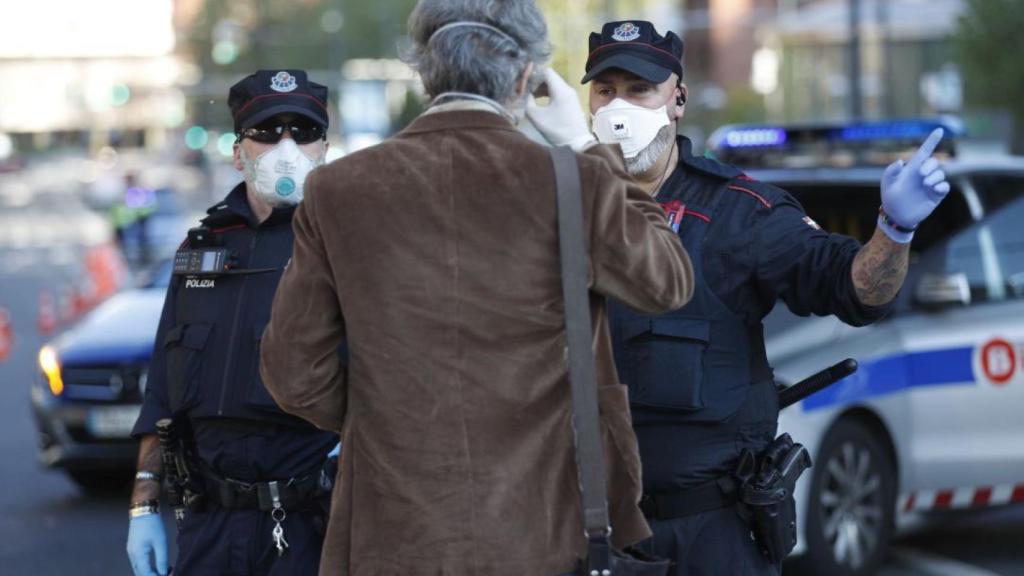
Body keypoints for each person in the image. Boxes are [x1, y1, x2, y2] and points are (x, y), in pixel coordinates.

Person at [258, 1, 696, 574]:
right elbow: (669, 281)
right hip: (542, 528)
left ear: (423, 72)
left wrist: (390, 414)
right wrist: (590, 148)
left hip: (393, 531)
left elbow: (294, 373)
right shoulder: (573, 178)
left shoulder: (337, 188)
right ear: (524, 78)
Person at [528, 20, 952, 576]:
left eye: (639, 89)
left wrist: (894, 229)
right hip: (586, 531)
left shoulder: (736, 213)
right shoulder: (553, 210)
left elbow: (853, 290)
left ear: (676, 99)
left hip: (712, 536)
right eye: (605, 91)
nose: (618, 109)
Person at [125, 69, 340, 576]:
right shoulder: (202, 249)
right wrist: (143, 505)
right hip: (210, 528)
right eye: (267, 132)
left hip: (313, 526)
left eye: (303, 132)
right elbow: (163, 390)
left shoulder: (345, 248)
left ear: (323, 148)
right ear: (238, 152)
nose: (286, 146)